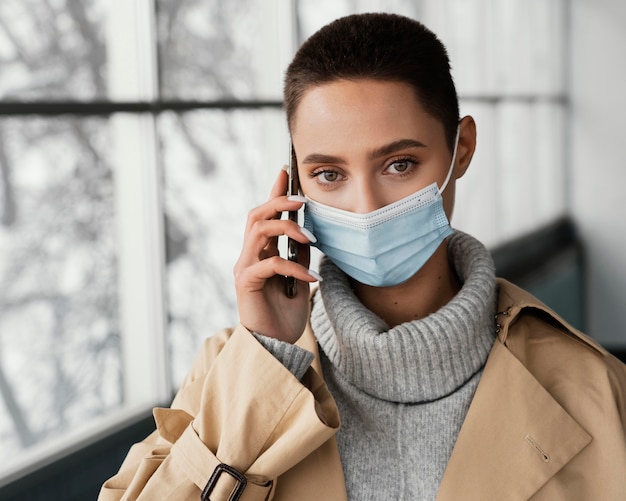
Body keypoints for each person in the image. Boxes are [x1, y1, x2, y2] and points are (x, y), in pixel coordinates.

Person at [99, 12, 626, 500]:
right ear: (295, 183)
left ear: (461, 148)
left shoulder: (593, 388)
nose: (366, 207)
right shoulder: (229, 370)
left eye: (399, 164)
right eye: (329, 174)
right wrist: (265, 366)